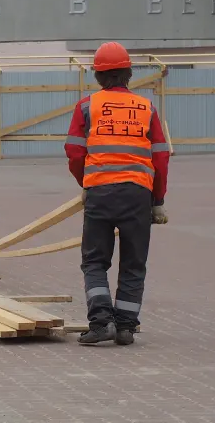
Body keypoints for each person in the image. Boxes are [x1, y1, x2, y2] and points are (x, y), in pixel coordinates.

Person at [64, 41, 170, 347]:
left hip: (100, 192)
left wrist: (85, 182)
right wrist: (158, 200)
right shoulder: (146, 107)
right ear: (129, 74)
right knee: (134, 262)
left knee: (95, 261)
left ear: (98, 76)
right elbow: (160, 156)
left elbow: (73, 151)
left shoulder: (87, 106)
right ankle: (125, 327)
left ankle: (101, 323)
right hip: (138, 194)